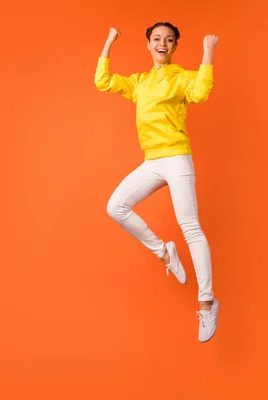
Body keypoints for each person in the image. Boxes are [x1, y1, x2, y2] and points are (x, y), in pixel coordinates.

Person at [94, 22, 220, 343]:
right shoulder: (140, 82)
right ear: (148, 45)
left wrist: (208, 51)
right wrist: (110, 40)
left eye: (169, 40)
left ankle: (207, 303)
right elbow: (103, 81)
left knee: (190, 227)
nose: (162, 44)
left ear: (175, 46)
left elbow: (202, 92)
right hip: (152, 162)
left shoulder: (180, 76)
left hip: (177, 158)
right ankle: (165, 253)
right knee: (115, 206)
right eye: (156, 39)